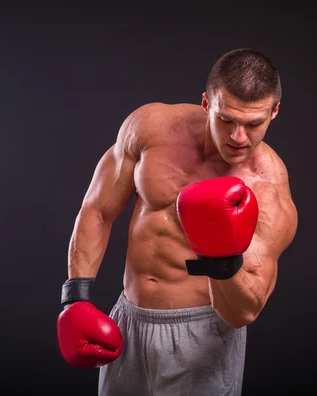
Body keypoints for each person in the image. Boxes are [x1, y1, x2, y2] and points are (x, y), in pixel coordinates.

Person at [56, 48, 299, 395]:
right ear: (206, 103)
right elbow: (97, 209)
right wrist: (75, 297)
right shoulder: (151, 128)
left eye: (253, 123)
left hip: (200, 336)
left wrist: (221, 261)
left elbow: (245, 311)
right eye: (226, 119)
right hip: (128, 321)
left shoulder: (267, 188)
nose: (238, 137)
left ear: (274, 112)